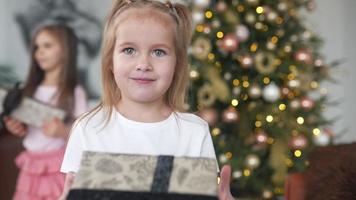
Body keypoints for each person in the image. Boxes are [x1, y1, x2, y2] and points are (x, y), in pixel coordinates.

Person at [60, 1, 234, 199]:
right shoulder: (88, 128)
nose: (143, 64)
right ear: (110, 61)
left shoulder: (194, 131)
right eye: (129, 50)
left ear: (177, 64)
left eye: (158, 52)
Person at [3, 24, 88, 200]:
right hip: (31, 165)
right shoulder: (27, 90)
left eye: (47, 46)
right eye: (37, 47)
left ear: (66, 50)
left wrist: (62, 131)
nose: (39, 52)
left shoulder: (75, 92)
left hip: (58, 166)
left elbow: (84, 133)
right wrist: (16, 128)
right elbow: (24, 128)